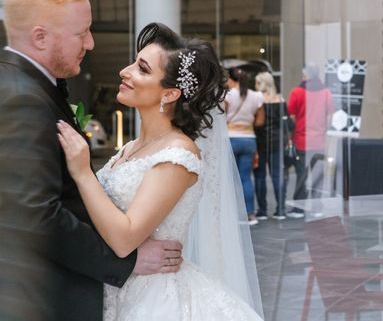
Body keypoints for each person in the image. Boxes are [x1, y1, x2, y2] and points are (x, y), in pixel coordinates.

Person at [0, 0, 181, 321]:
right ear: (40, 37)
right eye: (81, 33)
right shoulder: (22, 98)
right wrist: (124, 261)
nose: (91, 43)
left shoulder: (24, 84)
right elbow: (36, 215)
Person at [57, 22, 264, 320]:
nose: (124, 72)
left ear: (169, 94)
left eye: (141, 69)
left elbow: (125, 237)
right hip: (116, 285)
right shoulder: (131, 147)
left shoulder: (178, 155)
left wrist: (83, 172)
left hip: (155, 298)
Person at [286, 63, 334, 218]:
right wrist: (323, 130)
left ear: (305, 75)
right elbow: (330, 117)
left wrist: (290, 137)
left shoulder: (297, 92)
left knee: (302, 174)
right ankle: (317, 207)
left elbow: (291, 117)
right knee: (318, 173)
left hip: (301, 139)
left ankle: (299, 208)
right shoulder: (326, 92)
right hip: (319, 140)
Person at [225, 68, 265, 225]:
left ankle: (233, 214)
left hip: (230, 138)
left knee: (230, 179)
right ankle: (250, 214)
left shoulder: (228, 95)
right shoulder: (257, 96)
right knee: (245, 178)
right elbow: (260, 121)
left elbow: (221, 116)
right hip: (249, 139)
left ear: (231, 79)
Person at [254, 71, 292, 220]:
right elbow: (288, 124)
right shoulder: (280, 100)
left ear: (261, 83)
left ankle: (262, 210)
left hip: (260, 142)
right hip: (277, 143)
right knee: (277, 176)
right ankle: (281, 209)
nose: (255, 85)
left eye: (257, 82)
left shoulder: (257, 100)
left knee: (260, 176)